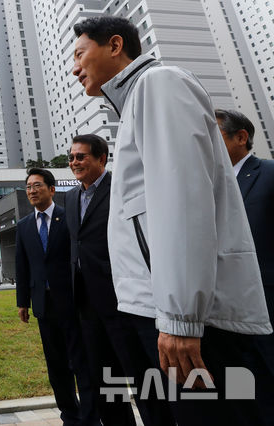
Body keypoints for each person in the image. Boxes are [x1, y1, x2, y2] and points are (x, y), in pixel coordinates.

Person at [72, 15, 271, 426]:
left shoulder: (158, 85)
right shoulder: (133, 107)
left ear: (114, 45)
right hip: (159, 313)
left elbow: (183, 202)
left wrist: (181, 318)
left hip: (186, 323)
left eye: (79, 53)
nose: (74, 67)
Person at [64, 134, 166, 426]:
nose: (74, 162)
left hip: (123, 300)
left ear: (101, 158)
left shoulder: (121, 189)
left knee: (142, 378)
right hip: (86, 305)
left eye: (80, 156)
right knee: (104, 383)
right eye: (71, 157)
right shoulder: (70, 197)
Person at [16, 168, 99, 426]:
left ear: (52, 190)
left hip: (72, 302)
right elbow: (22, 265)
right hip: (44, 305)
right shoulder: (24, 225)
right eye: (29, 187)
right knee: (56, 366)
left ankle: (90, 417)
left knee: (81, 362)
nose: (32, 190)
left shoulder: (69, 217)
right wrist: (22, 302)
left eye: (38, 185)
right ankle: (70, 415)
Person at [216, 108, 274, 424]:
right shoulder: (207, 185)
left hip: (266, 303)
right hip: (224, 311)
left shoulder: (268, 174)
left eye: (214, 137)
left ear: (241, 137)